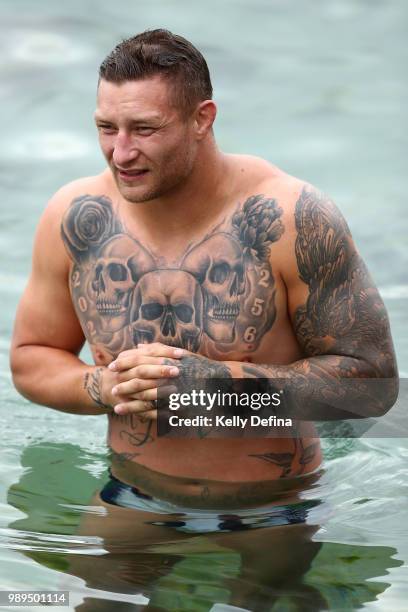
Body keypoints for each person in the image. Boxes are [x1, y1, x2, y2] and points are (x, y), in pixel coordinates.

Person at [10, 28, 398, 509]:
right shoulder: (75, 217)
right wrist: (104, 386)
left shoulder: (293, 217)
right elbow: (33, 356)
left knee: (270, 586)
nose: (121, 152)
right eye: (107, 128)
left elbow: (372, 388)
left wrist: (219, 389)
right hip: (133, 491)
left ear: (202, 119)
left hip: (275, 504)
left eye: (145, 129)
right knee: (66, 589)